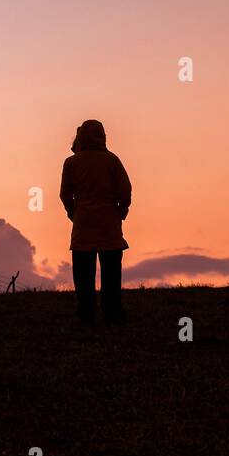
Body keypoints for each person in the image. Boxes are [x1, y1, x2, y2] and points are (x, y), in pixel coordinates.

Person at [59, 119, 131, 323]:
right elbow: (125, 190)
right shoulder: (112, 160)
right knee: (111, 271)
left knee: (83, 273)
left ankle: (86, 313)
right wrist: (121, 211)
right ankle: (112, 311)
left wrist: (73, 213)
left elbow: (65, 194)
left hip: (83, 222)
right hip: (109, 222)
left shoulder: (71, 162)